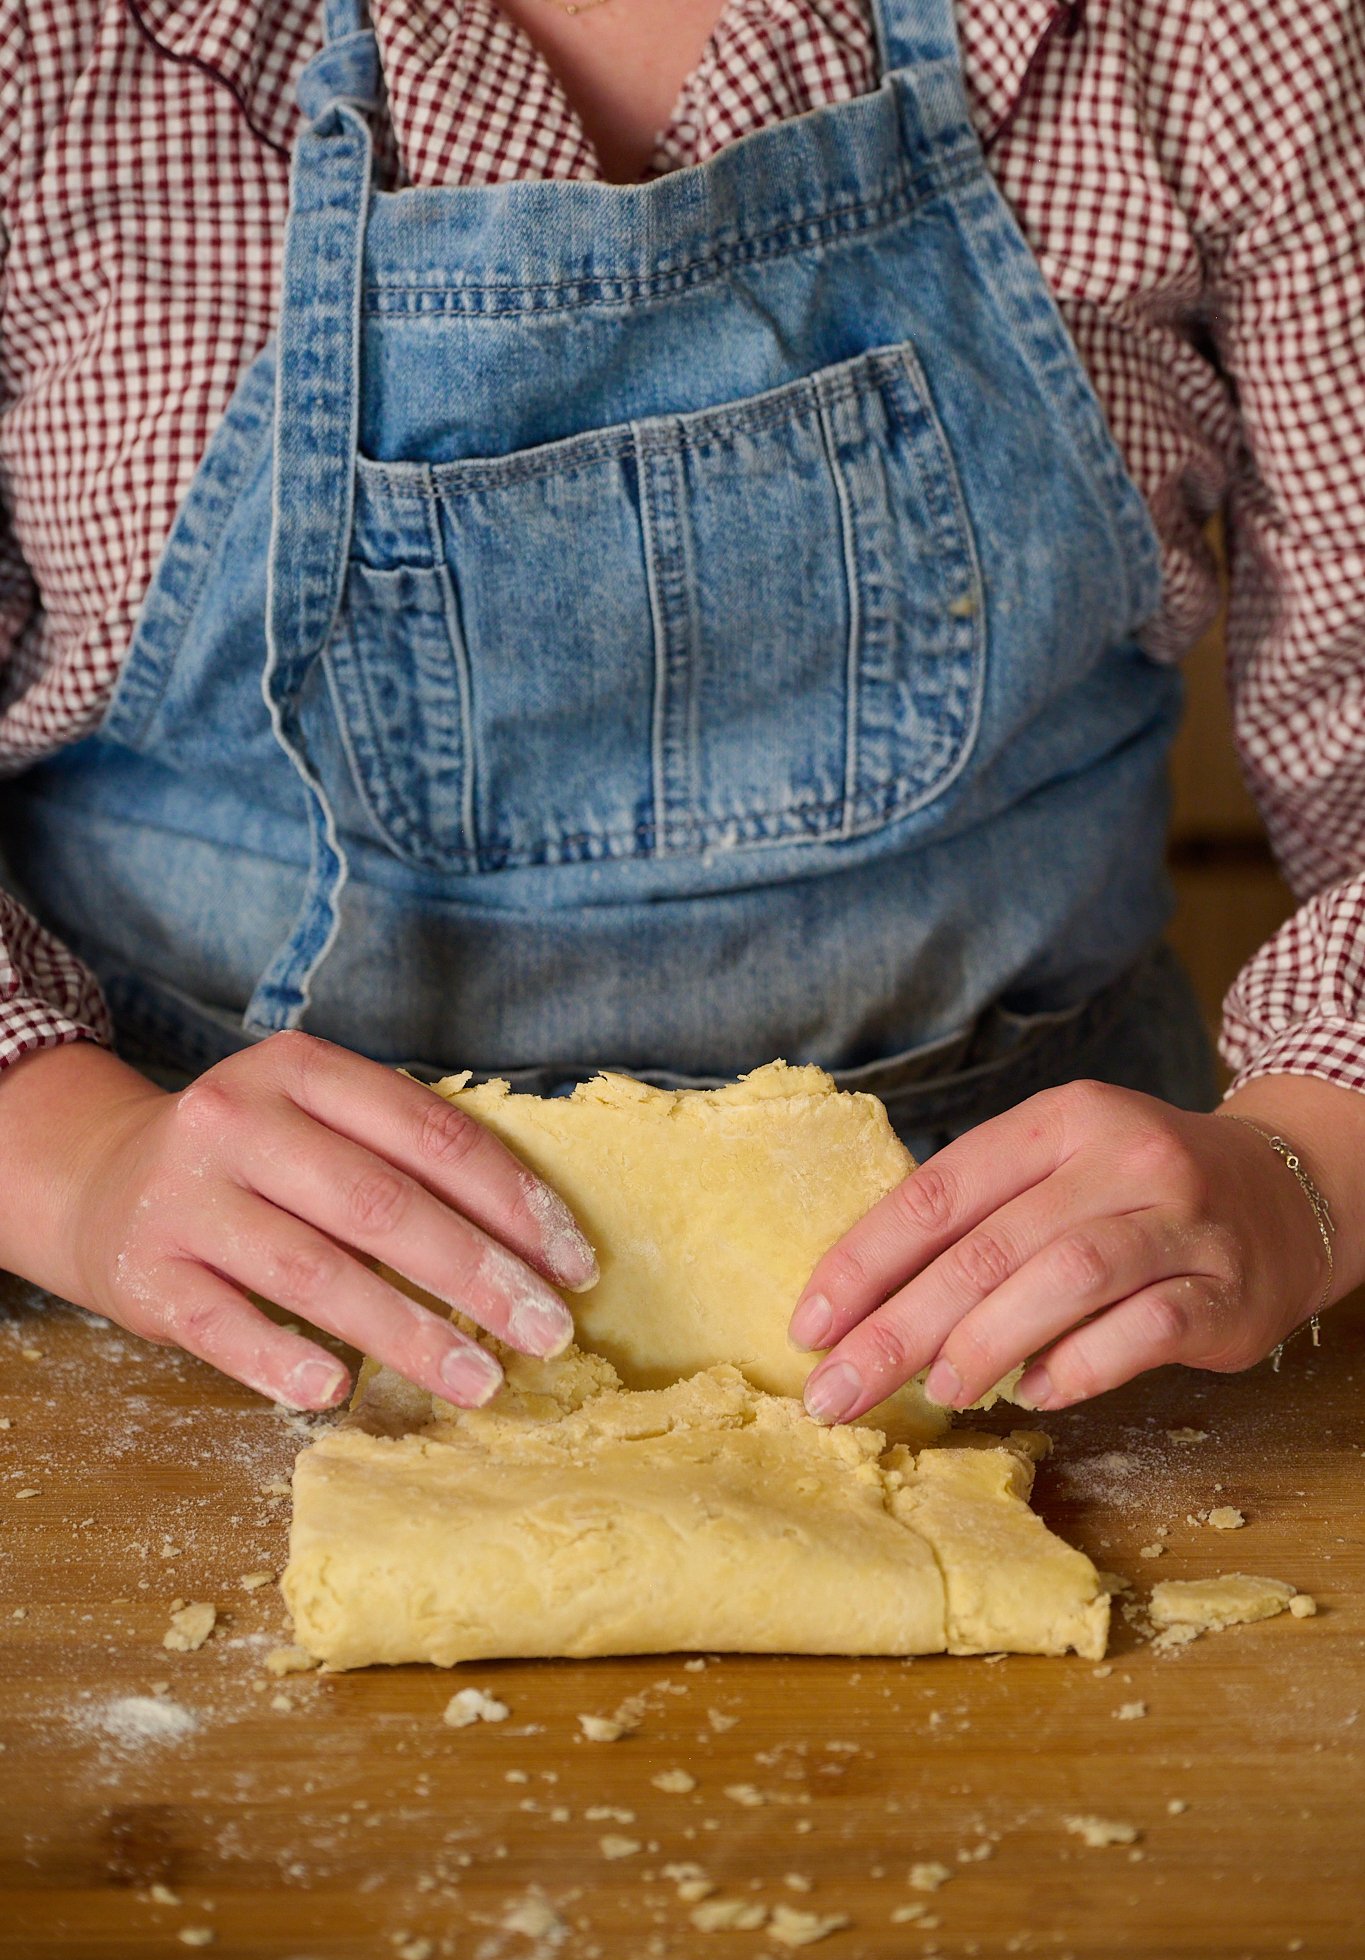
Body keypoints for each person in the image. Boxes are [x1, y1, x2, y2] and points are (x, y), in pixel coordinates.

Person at [0, 0, 1361, 1425]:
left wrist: (1309, 1173)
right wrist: (77, 1165)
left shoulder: (1219, 32)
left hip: (1055, 1341)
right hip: (191, 1338)